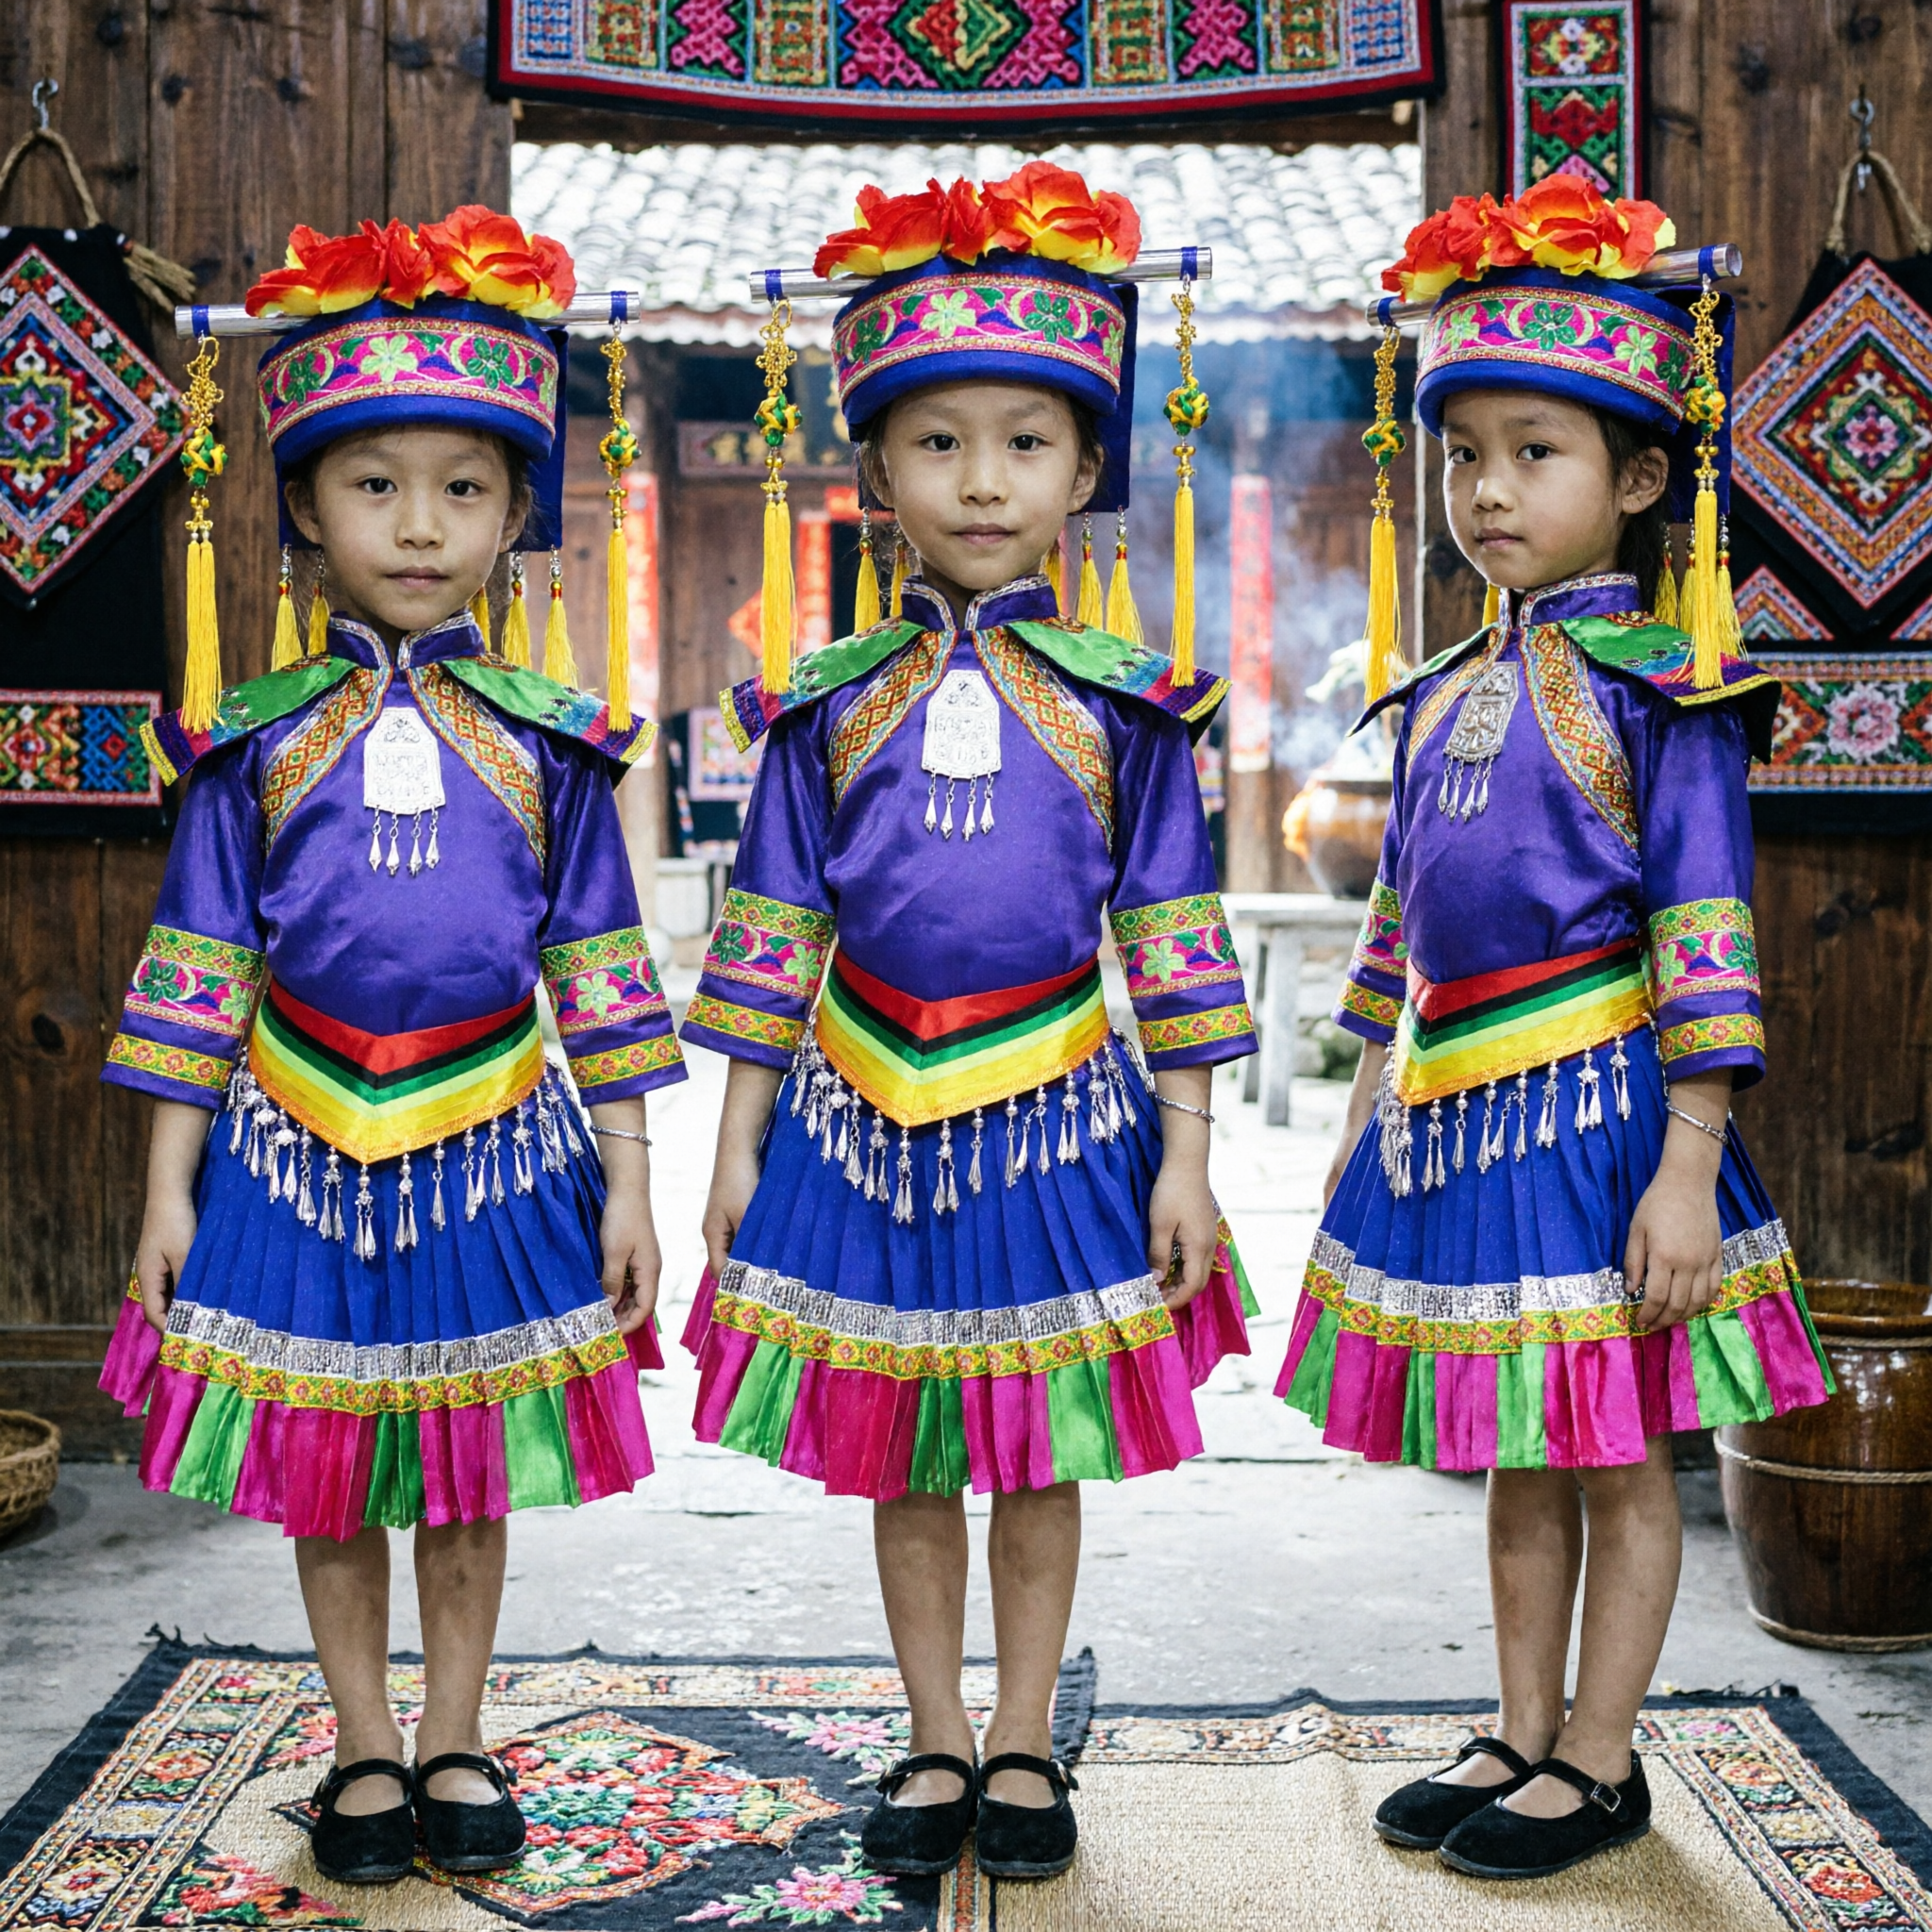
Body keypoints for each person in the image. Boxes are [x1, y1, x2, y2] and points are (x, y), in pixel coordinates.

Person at [680, 166, 1258, 1882]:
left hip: (1060, 1118)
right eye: (940, 443)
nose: (983, 478)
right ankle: (932, 1736)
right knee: (905, 1449)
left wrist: (1192, 1155)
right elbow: (775, 929)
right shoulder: (816, 715)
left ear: (1087, 471)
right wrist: (733, 1139)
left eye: (1026, 441)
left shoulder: (1134, 716)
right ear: (873, 476)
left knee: (1035, 1443)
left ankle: (1025, 1739)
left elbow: (1170, 938)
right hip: (857, 1116)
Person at [97, 208, 683, 1887]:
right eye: (376, 484)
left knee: (466, 1462)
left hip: (501, 1142)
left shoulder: (557, 750)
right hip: (288, 1145)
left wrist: (631, 1185)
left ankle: (456, 1730)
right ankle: (362, 1740)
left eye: (466, 487)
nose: (421, 525)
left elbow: (604, 971)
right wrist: (168, 1192)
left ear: (517, 510)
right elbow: (199, 972)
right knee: (333, 1468)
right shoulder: (251, 750)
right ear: (300, 507)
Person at [1278, 180, 1835, 1881]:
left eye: (1537, 454)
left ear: (1642, 479)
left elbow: (1709, 938)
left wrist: (1689, 1167)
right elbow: (1399, 926)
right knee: (1516, 1444)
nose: (1491, 491)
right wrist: (1367, 1098)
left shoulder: (1672, 697)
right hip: (1459, 1115)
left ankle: (1603, 1759)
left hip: (1604, 1126)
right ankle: (1519, 1732)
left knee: (1621, 1459)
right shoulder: (1442, 688)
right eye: (1467, 459)